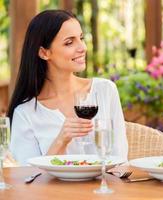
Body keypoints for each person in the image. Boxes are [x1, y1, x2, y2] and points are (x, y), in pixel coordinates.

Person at [8, 10, 128, 165]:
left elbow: (121, 160)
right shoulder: (26, 113)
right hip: (54, 190)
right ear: (44, 52)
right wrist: (61, 140)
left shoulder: (104, 91)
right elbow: (28, 177)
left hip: (105, 188)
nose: (82, 48)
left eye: (81, 38)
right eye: (69, 42)